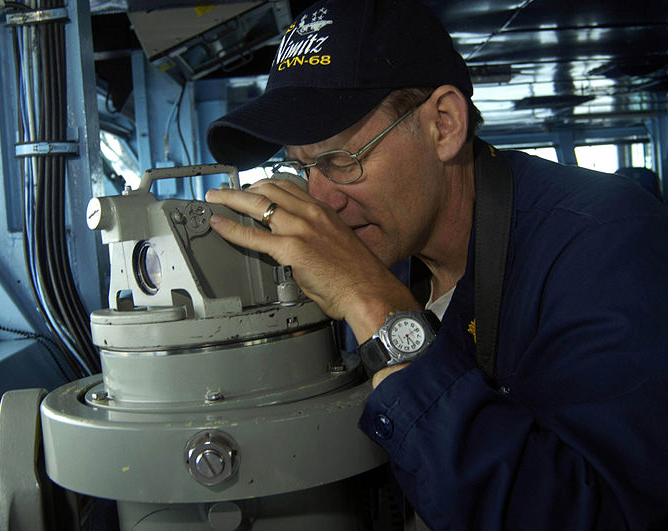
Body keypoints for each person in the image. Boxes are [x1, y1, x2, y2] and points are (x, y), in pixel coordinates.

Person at [203, 0, 668, 529]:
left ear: (444, 125)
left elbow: (611, 515)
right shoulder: (392, 248)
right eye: (301, 167)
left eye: (341, 160)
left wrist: (374, 306)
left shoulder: (605, 243)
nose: (321, 200)